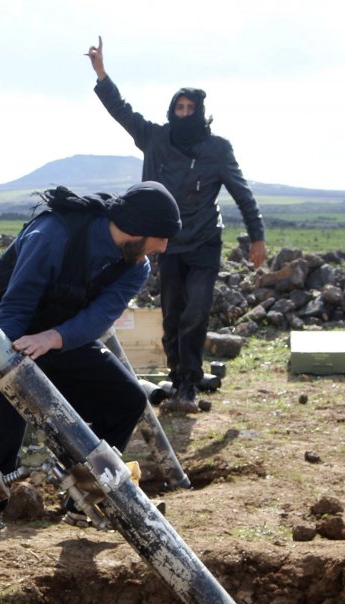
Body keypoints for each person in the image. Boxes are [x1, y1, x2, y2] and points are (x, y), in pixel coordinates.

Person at [0, 181, 181, 583]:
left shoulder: (137, 264)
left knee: (127, 400)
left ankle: (84, 495)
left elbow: (98, 318)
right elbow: (17, 302)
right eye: (160, 237)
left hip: (57, 337)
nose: (163, 248)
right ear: (136, 227)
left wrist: (52, 339)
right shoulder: (55, 233)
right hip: (7, 326)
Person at [86, 37, 267, 413]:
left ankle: (189, 385)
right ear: (172, 110)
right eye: (179, 107)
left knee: (196, 313)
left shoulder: (217, 149)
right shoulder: (155, 139)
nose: (184, 113)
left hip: (203, 242)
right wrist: (102, 74)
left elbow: (242, 192)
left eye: (190, 108)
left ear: (200, 112)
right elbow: (123, 112)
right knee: (171, 316)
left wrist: (257, 237)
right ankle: (177, 375)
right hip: (166, 245)